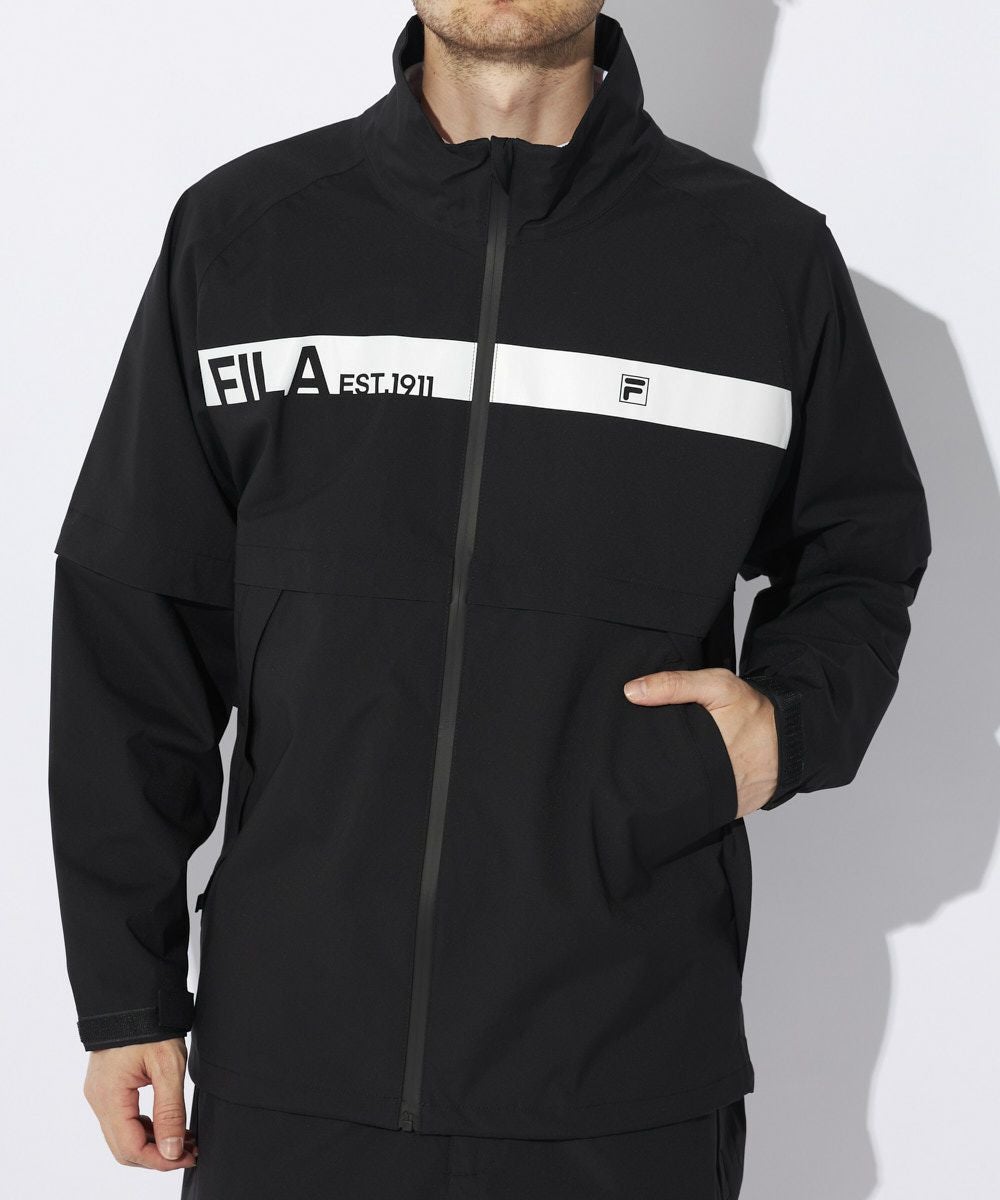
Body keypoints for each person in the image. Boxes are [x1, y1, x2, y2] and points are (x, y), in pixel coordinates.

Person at [47, 2, 932, 1196]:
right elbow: (133, 618)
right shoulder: (247, 236)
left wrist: (791, 723)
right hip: (295, 1067)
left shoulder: (760, 261)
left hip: (623, 1065)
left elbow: (860, 545)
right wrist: (127, 993)